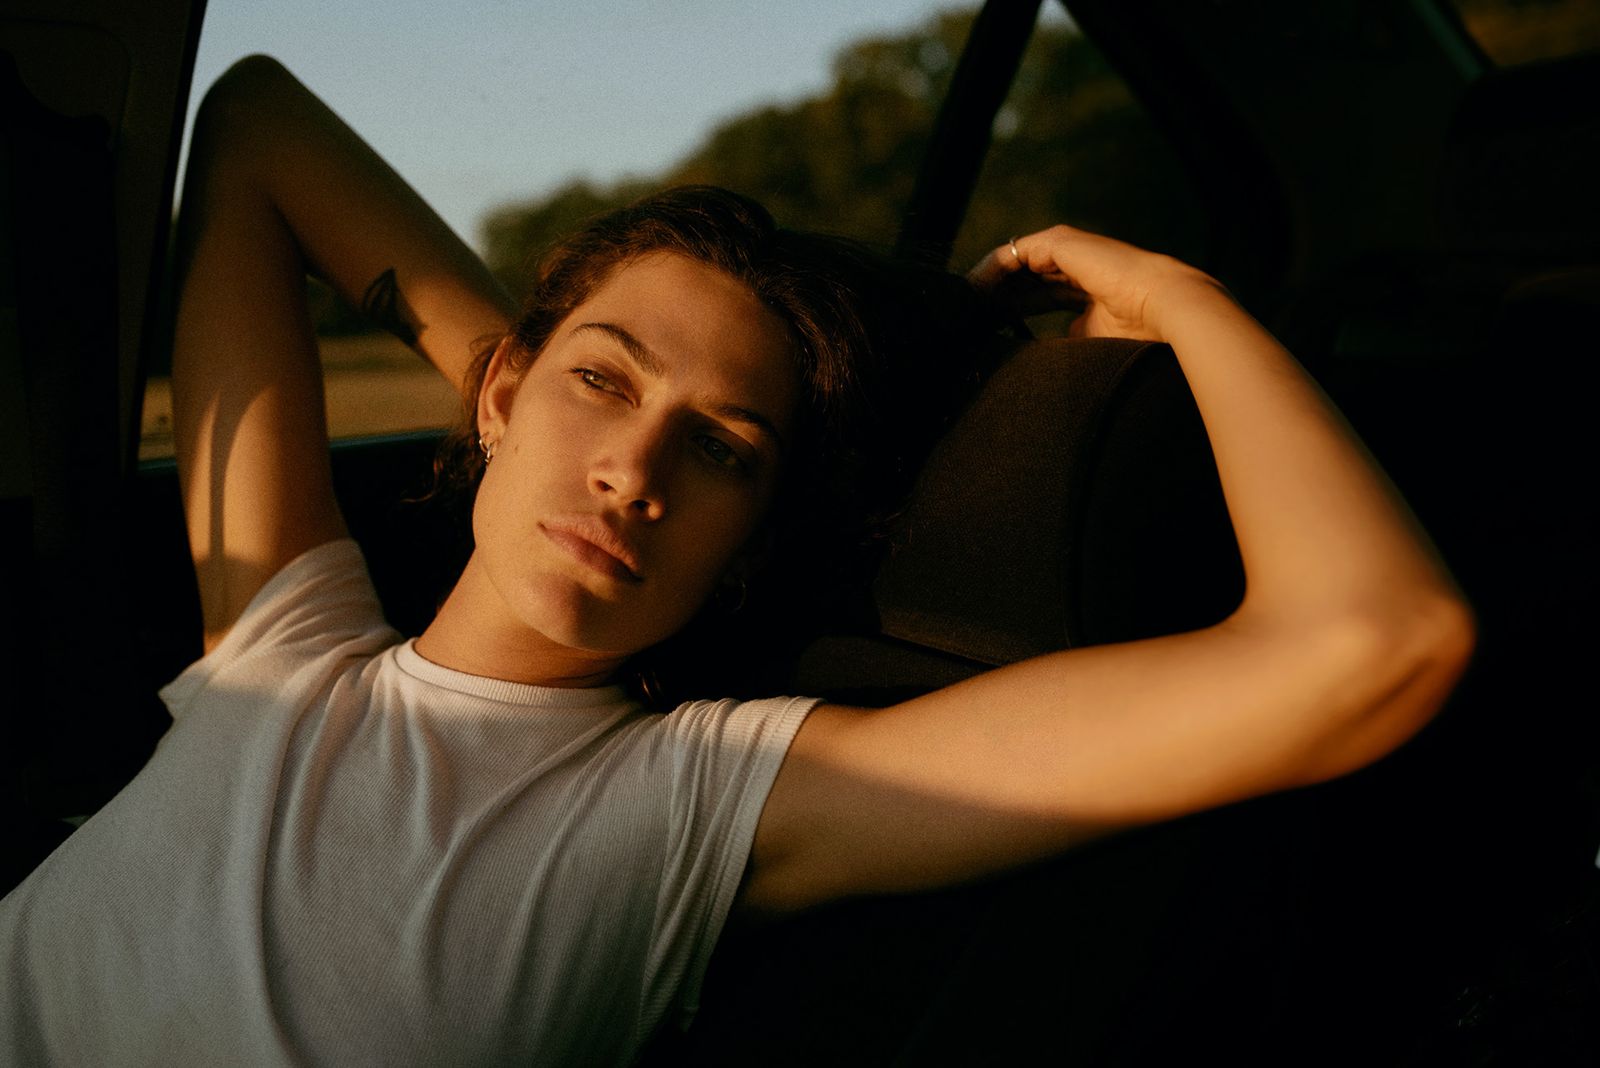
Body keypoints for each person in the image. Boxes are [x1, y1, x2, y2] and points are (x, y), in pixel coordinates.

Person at [0, 55, 1475, 1065]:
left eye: (722, 451)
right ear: (502, 392)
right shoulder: (282, 634)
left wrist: (1183, 298)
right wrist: (523, 400)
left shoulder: (700, 799)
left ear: (756, 533)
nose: (635, 471)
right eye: (608, 382)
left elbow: (1375, 645)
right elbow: (254, 125)